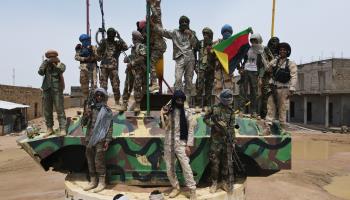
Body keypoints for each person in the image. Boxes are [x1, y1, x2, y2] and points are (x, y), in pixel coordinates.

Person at [160, 90, 196, 199]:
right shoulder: (169, 110)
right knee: (169, 167)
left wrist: (189, 145)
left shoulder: (187, 112)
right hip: (168, 143)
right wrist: (162, 115)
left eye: (181, 100)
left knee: (186, 166)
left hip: (181, 143)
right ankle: (175, 187)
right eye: (177, 99)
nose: (180, 101)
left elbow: (191, 129)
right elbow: (163, 127)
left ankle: (192, 190)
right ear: (174, 100)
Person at [155, 16, 198, 103]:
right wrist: (153, 25)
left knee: (189, 80)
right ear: (179, 23)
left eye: (186, 22)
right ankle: (178, 99)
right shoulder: (175, 32)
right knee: (178, 79)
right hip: (180, 58)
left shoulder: (192, 33)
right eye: (182, 22)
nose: (184, 23)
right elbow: (163, 32)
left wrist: (190, 35)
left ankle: (186, 101)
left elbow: (196, 45)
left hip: (190, 58)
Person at [203, 89, 236, 193]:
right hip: (215, 141)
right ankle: (214, 183)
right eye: (226, 99)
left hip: (226, 141)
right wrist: (213, 126)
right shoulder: (214, 108)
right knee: (215, 163)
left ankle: (224, 182)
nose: (228, 101)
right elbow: (205, 118)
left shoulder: (231, 111)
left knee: (226, 163)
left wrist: (233, 141)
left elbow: (231, 127)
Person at [82, 88, 113, 193]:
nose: (99, 97)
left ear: (104, 97)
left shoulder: (107, 111)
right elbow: (84, 123)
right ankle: (93, 181)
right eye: (97, 95)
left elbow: (109, 127)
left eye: (101, 95)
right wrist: (86, 114)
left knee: (98, 161)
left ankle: (101, 182)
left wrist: (107, 141)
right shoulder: (91, 108)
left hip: (100, 139)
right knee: (90, 160)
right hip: (90, 138)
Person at [266, 42, 297, 127]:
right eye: (281, 50)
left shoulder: (291, 63)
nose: (282, 51)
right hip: (273, 88)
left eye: (284, 50)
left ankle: (282, 126)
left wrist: (292, 88)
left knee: (282, 109)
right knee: (270, 107)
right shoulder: (275, 61)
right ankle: (268, 125)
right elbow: (267, 69)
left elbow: (294, 76)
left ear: (287, 52)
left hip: (284, 89)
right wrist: (272, 62)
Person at [97, 28, 128, 108]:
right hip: (104, 66)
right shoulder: (104, 42)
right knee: (103, 85)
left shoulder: (117, 43)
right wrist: (102, 44)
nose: (111, 36)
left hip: (113, 67)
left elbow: (126, 47)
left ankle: (117, 102)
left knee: (115, 84)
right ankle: (103, 102)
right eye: (110, 34)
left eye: (112, 34)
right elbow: (98, 52)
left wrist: (119, 38)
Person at [38, 49, 66, 137]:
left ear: (56, 57)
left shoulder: (60, 64)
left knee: (59, 109)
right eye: (49, 57)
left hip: (57, 89)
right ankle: (49, 128)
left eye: (52, 57)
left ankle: (62, 128)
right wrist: (46, 63)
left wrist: (54, 64)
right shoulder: (45, 64)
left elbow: (61, 70)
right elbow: (40, 72)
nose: (51, 58)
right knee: (47, 110)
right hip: (47, 89)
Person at [241, 33, 269, 116]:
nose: (253, 43)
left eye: (255, 41)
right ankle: (241, 110)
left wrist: (260, 77)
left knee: (254, 92)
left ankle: (253, 111)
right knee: (243, 91)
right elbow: (244, 60)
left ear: (259, 41)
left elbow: (263, 66)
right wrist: (242, 68)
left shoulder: (262, 50)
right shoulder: (248, 49)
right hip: (246, 71)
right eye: (252, 41)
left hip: (255, 73)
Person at [121, 31, 147, 112]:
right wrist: (127, 59)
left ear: (136, 39)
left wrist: (132, 63)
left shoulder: (141, 46)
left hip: (138, 71)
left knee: (137, 87)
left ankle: (137, 105)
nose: (133, 40)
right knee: (127, 86)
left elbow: (143, 58)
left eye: (133, 38)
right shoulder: (133, 48)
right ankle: (124, 104)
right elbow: (133, 56)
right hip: (130, 71)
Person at [194, 27, 216, 111]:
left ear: (211, 36)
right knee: (199, 86)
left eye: (207, 34)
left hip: (210, 68)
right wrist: (195, 65)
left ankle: (207, 105)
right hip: (201, 68)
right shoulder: (200, 43)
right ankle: (198, 105)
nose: (205, 36)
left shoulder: (214, 45)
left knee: (209, 87)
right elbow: (194, 52)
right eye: (204, 34)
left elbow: (217, 57)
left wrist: (212, 51)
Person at [148, 0, 167, 93]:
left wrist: (151, 4)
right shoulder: (156, 12)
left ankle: (155, 84)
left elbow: (155, 15)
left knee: (151, 63)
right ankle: (153, 83)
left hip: (159, 45)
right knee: (152, 63)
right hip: (157, 45)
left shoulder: (157, 12)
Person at [75, 34, 99, 102]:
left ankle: (94, 101)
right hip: (83, 68)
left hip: (92, 67)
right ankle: (86, 102)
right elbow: (76, 57)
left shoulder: (93, 47)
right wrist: (85, 58)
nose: (86, 42)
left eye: (87, 40)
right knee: (84, 86)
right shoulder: (79, 48)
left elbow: (98, 58)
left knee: (94, 85)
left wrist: (92, 55)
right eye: (84, 41)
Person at [213, 24, 235, 98]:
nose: (226, 33)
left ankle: (228, 105)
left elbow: (236, 56)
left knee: (228, 87)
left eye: (228, 32)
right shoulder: (217, 43)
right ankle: (219, 105)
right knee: (218, 86)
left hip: (228, 67)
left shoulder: (233, 43)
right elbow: (212, 53)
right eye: (225, 32)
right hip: (218, 68)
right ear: (222, 33)